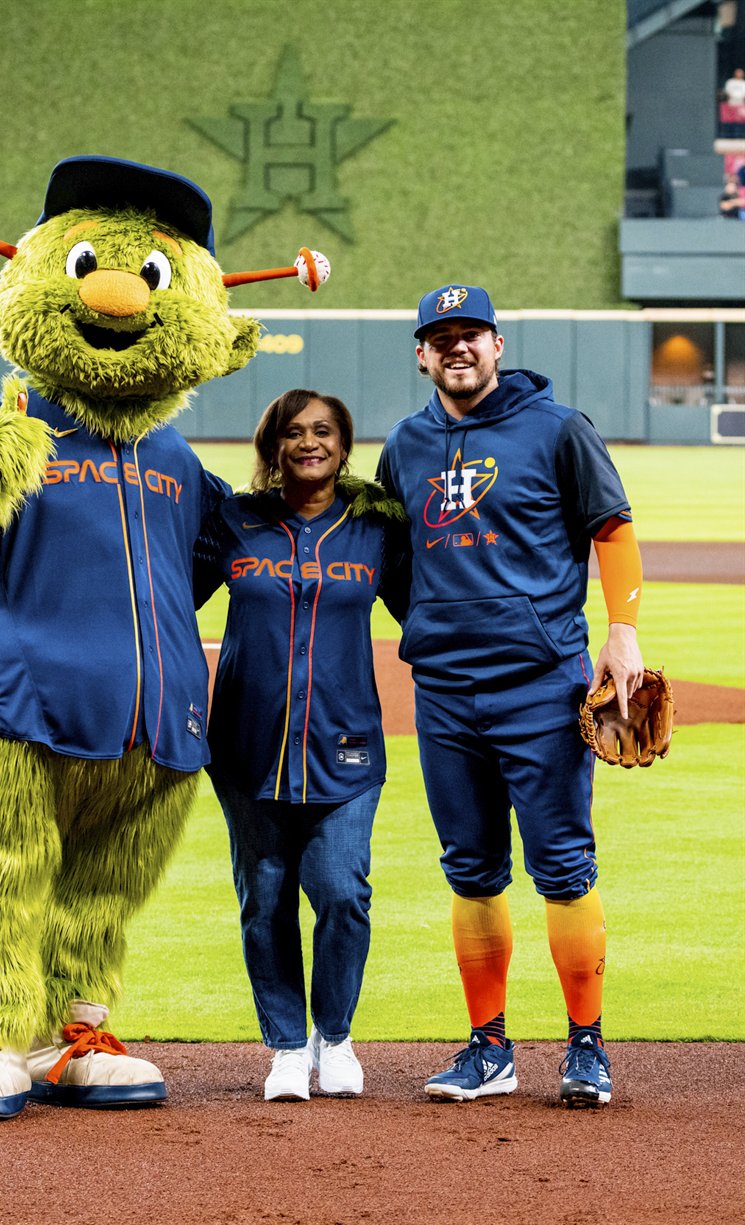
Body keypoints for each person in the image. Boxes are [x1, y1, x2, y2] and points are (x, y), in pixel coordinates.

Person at [376, 285, 646, 1108]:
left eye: (470, 334)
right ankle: (489, 1048)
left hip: (540, 687)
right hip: (446, 694)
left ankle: (586, 1046)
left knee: (562, 866)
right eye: (440, 337)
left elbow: (612, 527)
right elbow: (393, 559)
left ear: (498, 344)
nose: (456, 347)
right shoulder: (407, 444)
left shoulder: (558, 429)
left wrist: (622, 630)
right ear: (422, 354)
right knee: (471, 869)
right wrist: (434, 621)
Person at [194, 388, 408, 1102]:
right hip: (248, 745)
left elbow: (433, 613)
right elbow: (164, 596)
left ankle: (336, 1037)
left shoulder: (376, 527)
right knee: (265, 898)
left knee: (343, 892)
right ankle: (288, 1046)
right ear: (272, 447)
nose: (308, 442)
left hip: (346, 745)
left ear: (345, 446)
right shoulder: (235, 521)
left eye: (323, 431)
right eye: (292, 432)